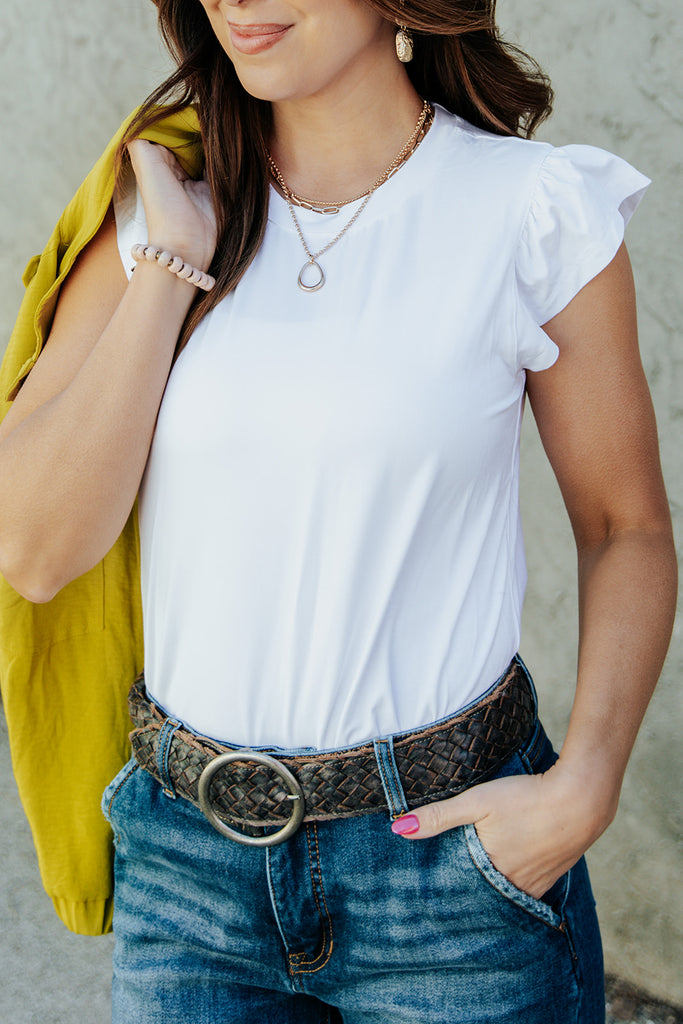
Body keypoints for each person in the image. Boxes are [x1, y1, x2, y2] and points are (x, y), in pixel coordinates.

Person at [0, 1, 676, 1021]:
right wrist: (171, 265)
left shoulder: (529, 208)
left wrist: (585, 784)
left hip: (448, 872)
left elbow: (625, 526)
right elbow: (35, 550)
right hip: (189, 874)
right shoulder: (155, 209)